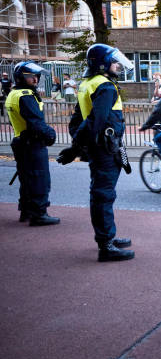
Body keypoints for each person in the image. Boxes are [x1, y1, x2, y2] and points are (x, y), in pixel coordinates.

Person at [58, 44, 135, 262]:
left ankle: (107, 235)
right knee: (103, 194)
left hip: (102, 147)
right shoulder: (106, 87)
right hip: (105, 149)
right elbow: (94, 121)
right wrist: (76, 148)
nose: (118, 65)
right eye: (114, 61)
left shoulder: (87, 84)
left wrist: (79, 143)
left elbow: (77, 120)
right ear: (102, 64)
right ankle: (106, 245)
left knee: (103, 193)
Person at [5, 61, 60, 226]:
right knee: (39, 178)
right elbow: (35, 122)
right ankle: (39, 214)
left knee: (26, 178)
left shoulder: (14, 94)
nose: (35, 79)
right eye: (30, 76)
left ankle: (26, 211)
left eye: (36, 76)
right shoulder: (26, 96)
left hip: (20, 140)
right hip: (32, 142)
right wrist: (50, 134)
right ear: (21, 77)